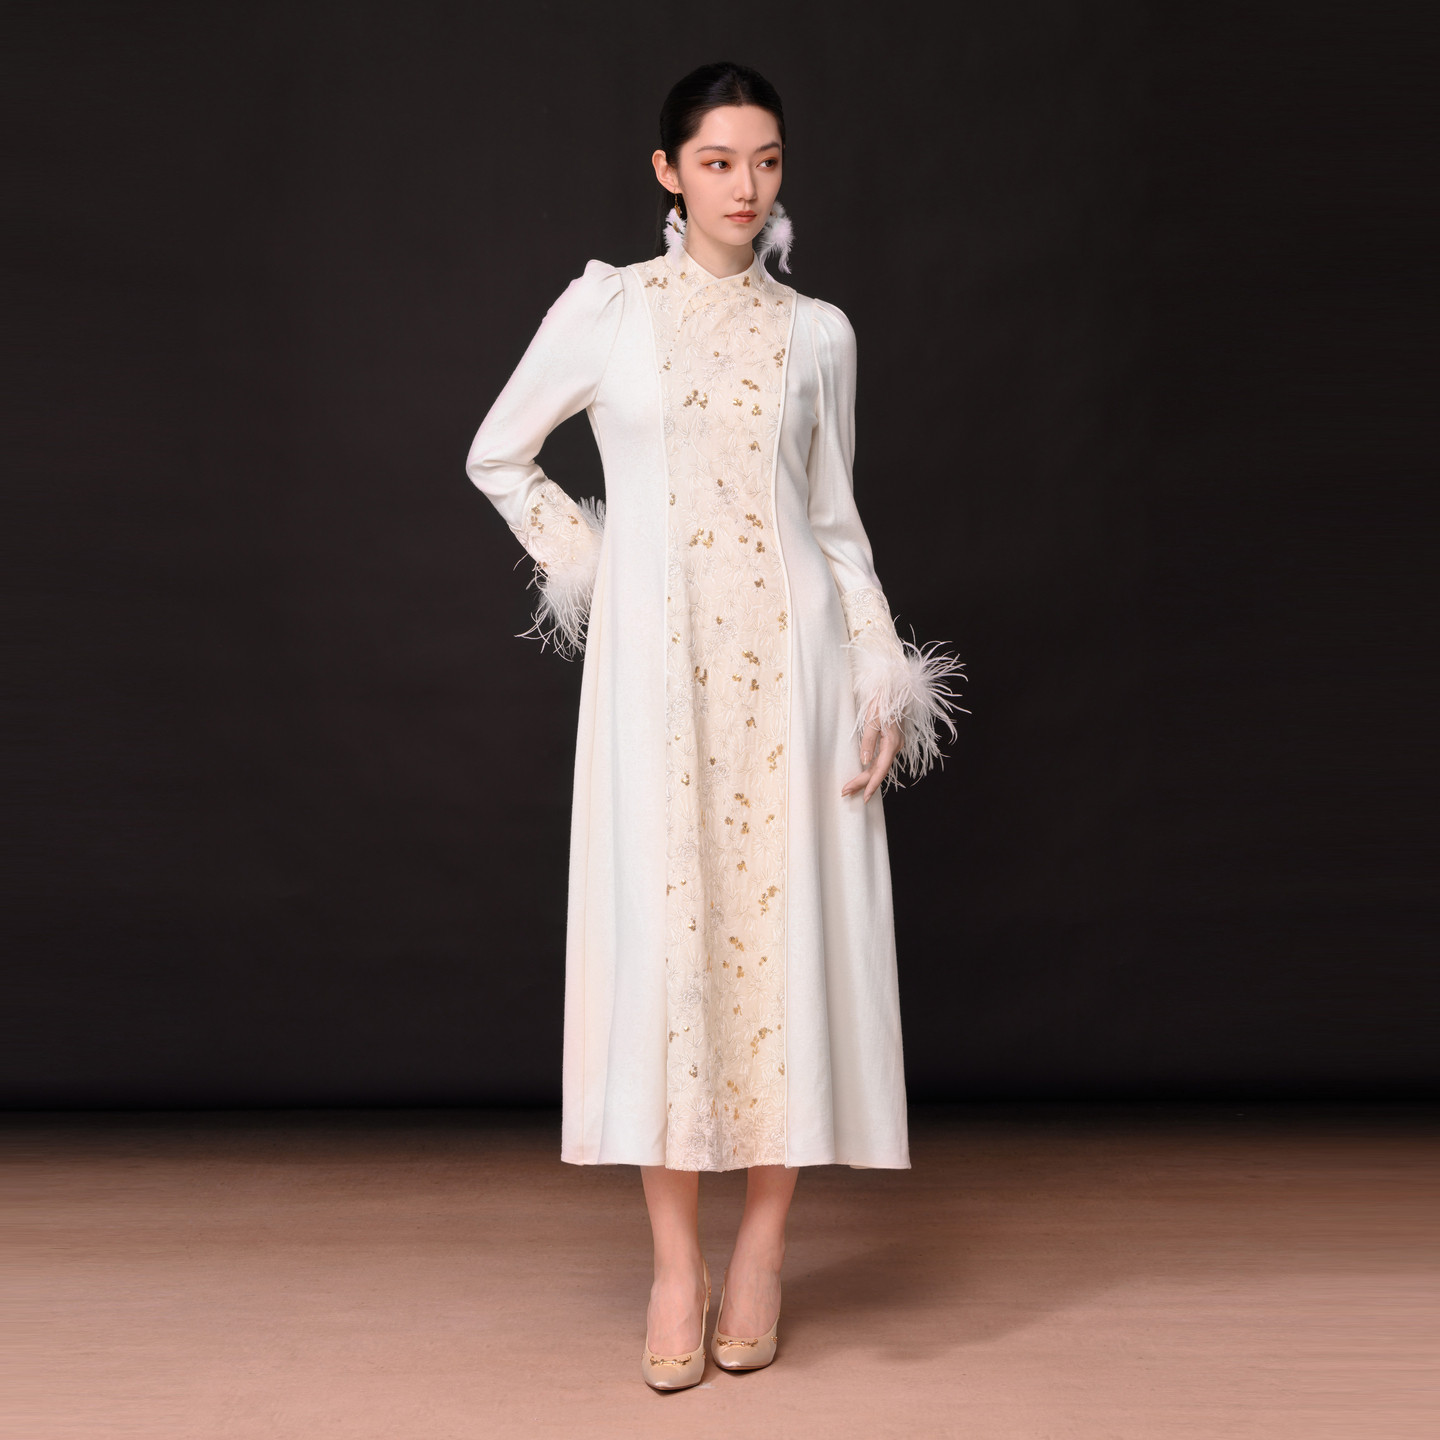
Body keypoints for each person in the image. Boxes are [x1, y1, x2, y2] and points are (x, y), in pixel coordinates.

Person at [465, 61, 965, 1391]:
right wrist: (601, 569)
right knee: (669, 949)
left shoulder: (821, 335)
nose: (746, 187)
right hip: (658, 681)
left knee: (788, 949)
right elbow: (498, 452)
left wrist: (879, 676)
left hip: (795, 673)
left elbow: (836, 524)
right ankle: (676, 1266)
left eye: (767, 160)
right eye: (719, 161)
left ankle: (764, 1251)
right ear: (668, 172)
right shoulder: (608, 311)